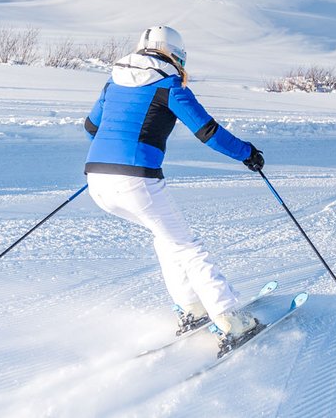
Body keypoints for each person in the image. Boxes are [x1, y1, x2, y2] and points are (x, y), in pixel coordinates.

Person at [82, 26, 267, 341]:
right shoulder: (168, 86)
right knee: (188, 247)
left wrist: (113, 158)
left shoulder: (113, 81)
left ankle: (192, 306)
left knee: (166, 238)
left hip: (97, 179)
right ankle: (230, 317)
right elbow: (208, 132)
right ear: (176, 56)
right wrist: (247, 153)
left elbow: (91, 128)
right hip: (135, 182)